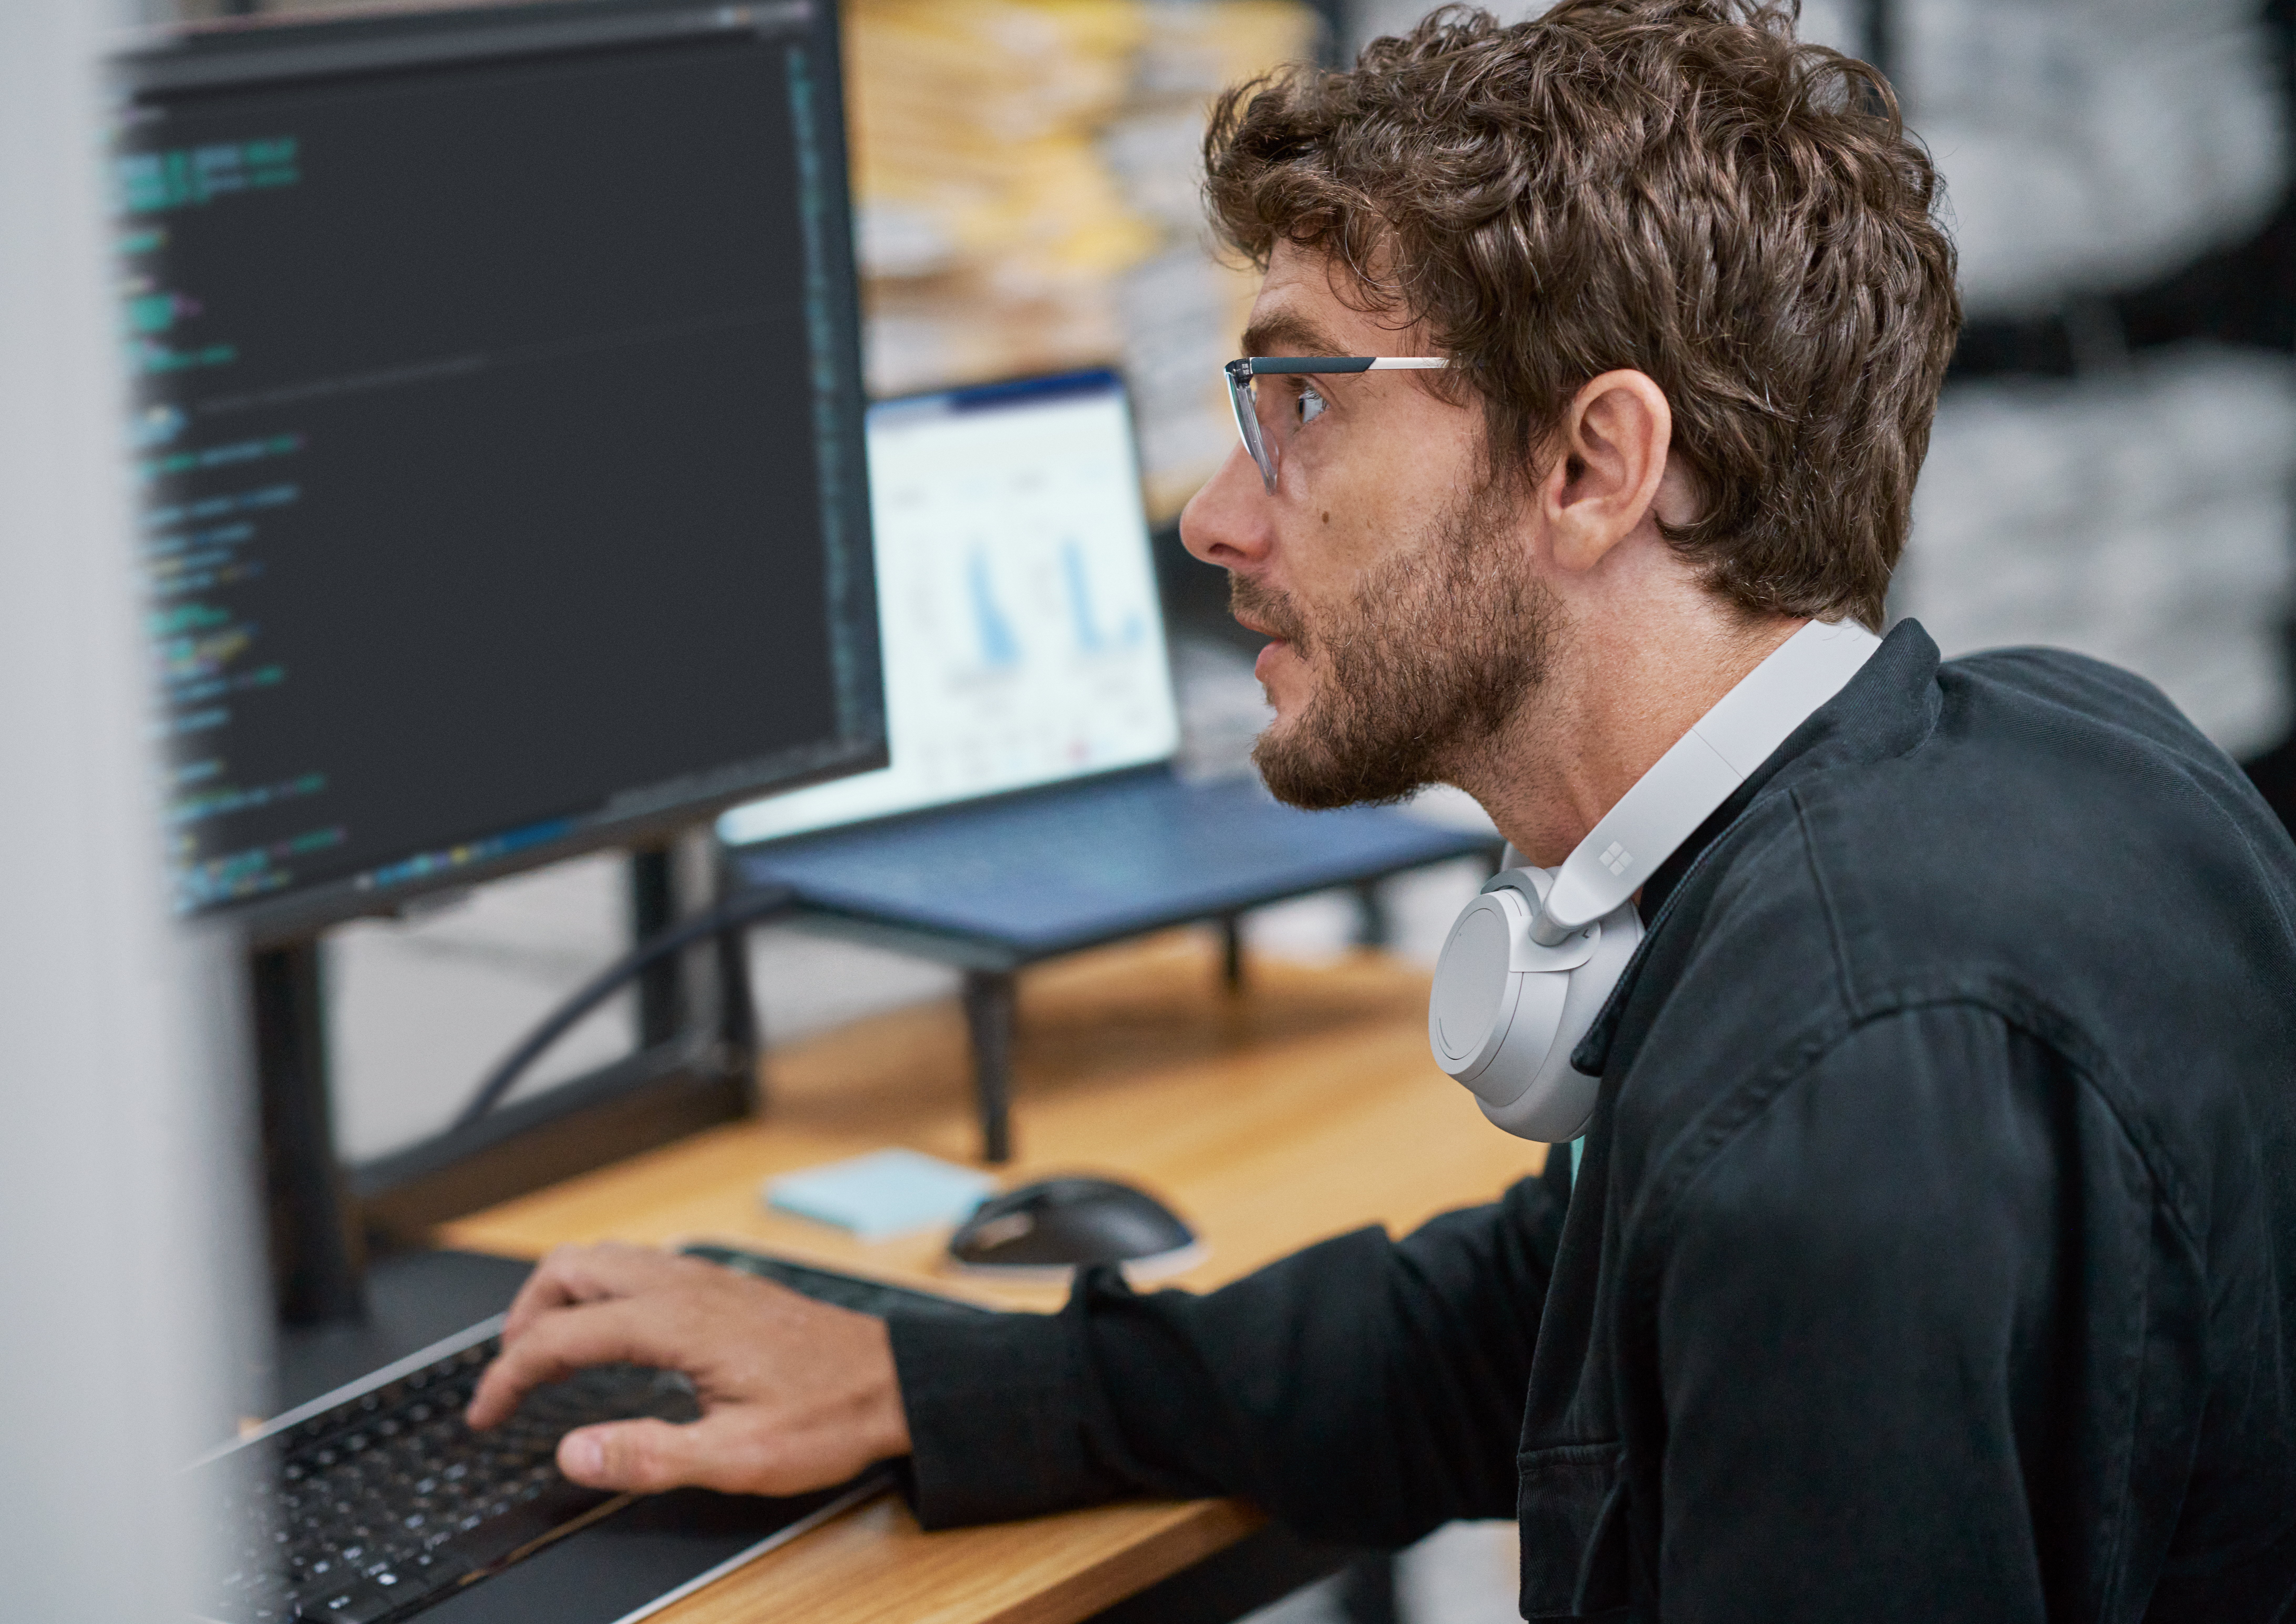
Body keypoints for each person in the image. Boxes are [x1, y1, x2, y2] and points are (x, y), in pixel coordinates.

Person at [465, 4, 2296, 1616]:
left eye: (1301, 402)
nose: (1216, 515)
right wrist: (918, 1382)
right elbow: (1514, 1323)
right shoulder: (2074, 752)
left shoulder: (1821, 1100)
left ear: (1592, 465)